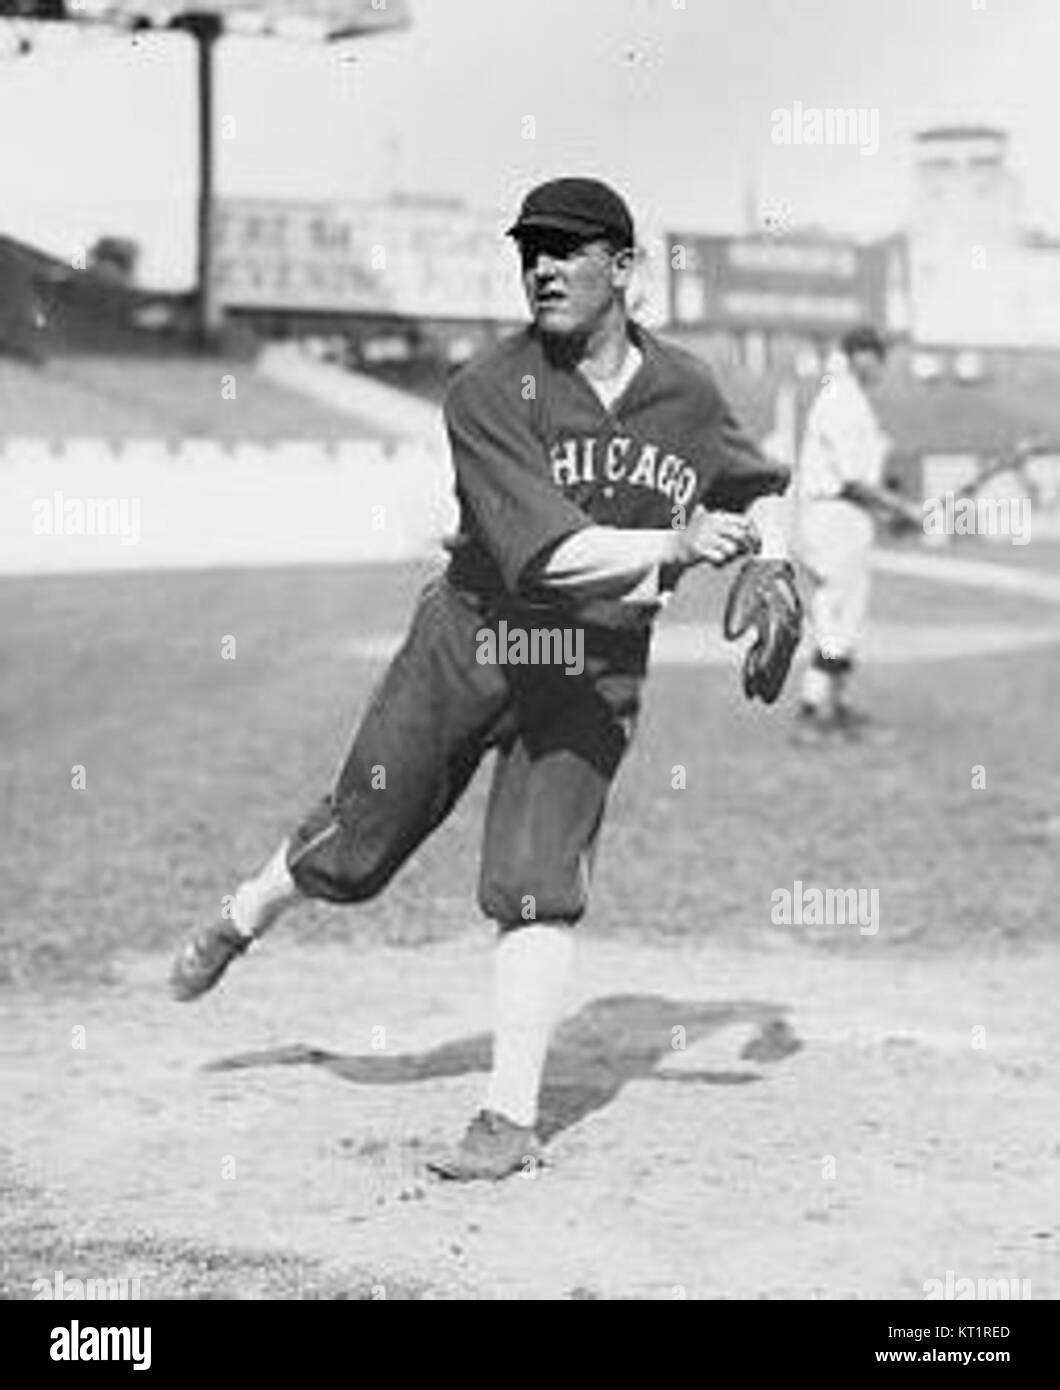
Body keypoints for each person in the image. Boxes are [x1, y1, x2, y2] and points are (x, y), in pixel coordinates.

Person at [169, 177, 791, 1181]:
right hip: (476, 637)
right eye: (528, 251)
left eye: (567, 249)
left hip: (591, 667)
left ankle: (507, 1120)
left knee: (537, 884)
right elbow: (544, 554)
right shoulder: (490, 388)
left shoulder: (688, 392)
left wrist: (770, 561)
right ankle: (246, 912)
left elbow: (759, 488)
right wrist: (673, 543)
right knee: (358, 850)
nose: (541, 267)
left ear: (623, 267)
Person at [792, 325, 920, 744]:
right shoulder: (841, 399)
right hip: (835, 517)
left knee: (845, 618)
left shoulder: (851, 400)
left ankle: (834, 706)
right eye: (877, 354)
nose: (882, 364)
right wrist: (900, 510)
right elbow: (853, 482)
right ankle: (814, 712)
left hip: (846, 517)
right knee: (835, 618)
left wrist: (891, 513)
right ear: (860, 356)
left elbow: (866, 478)